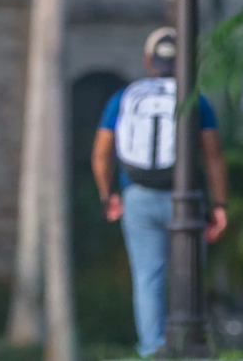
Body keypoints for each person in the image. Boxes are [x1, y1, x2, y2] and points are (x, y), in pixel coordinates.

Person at [90, 26, 231, 358]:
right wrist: (220, 204)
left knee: (147, 277)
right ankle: (189, 343)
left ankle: (153, 349)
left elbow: (101, 152)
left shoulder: (123, 97)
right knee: (189, 275)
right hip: (185, 199)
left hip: (137, 195)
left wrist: (108, 194)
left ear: (147, 61)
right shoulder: (195, 99)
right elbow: (212, 154)